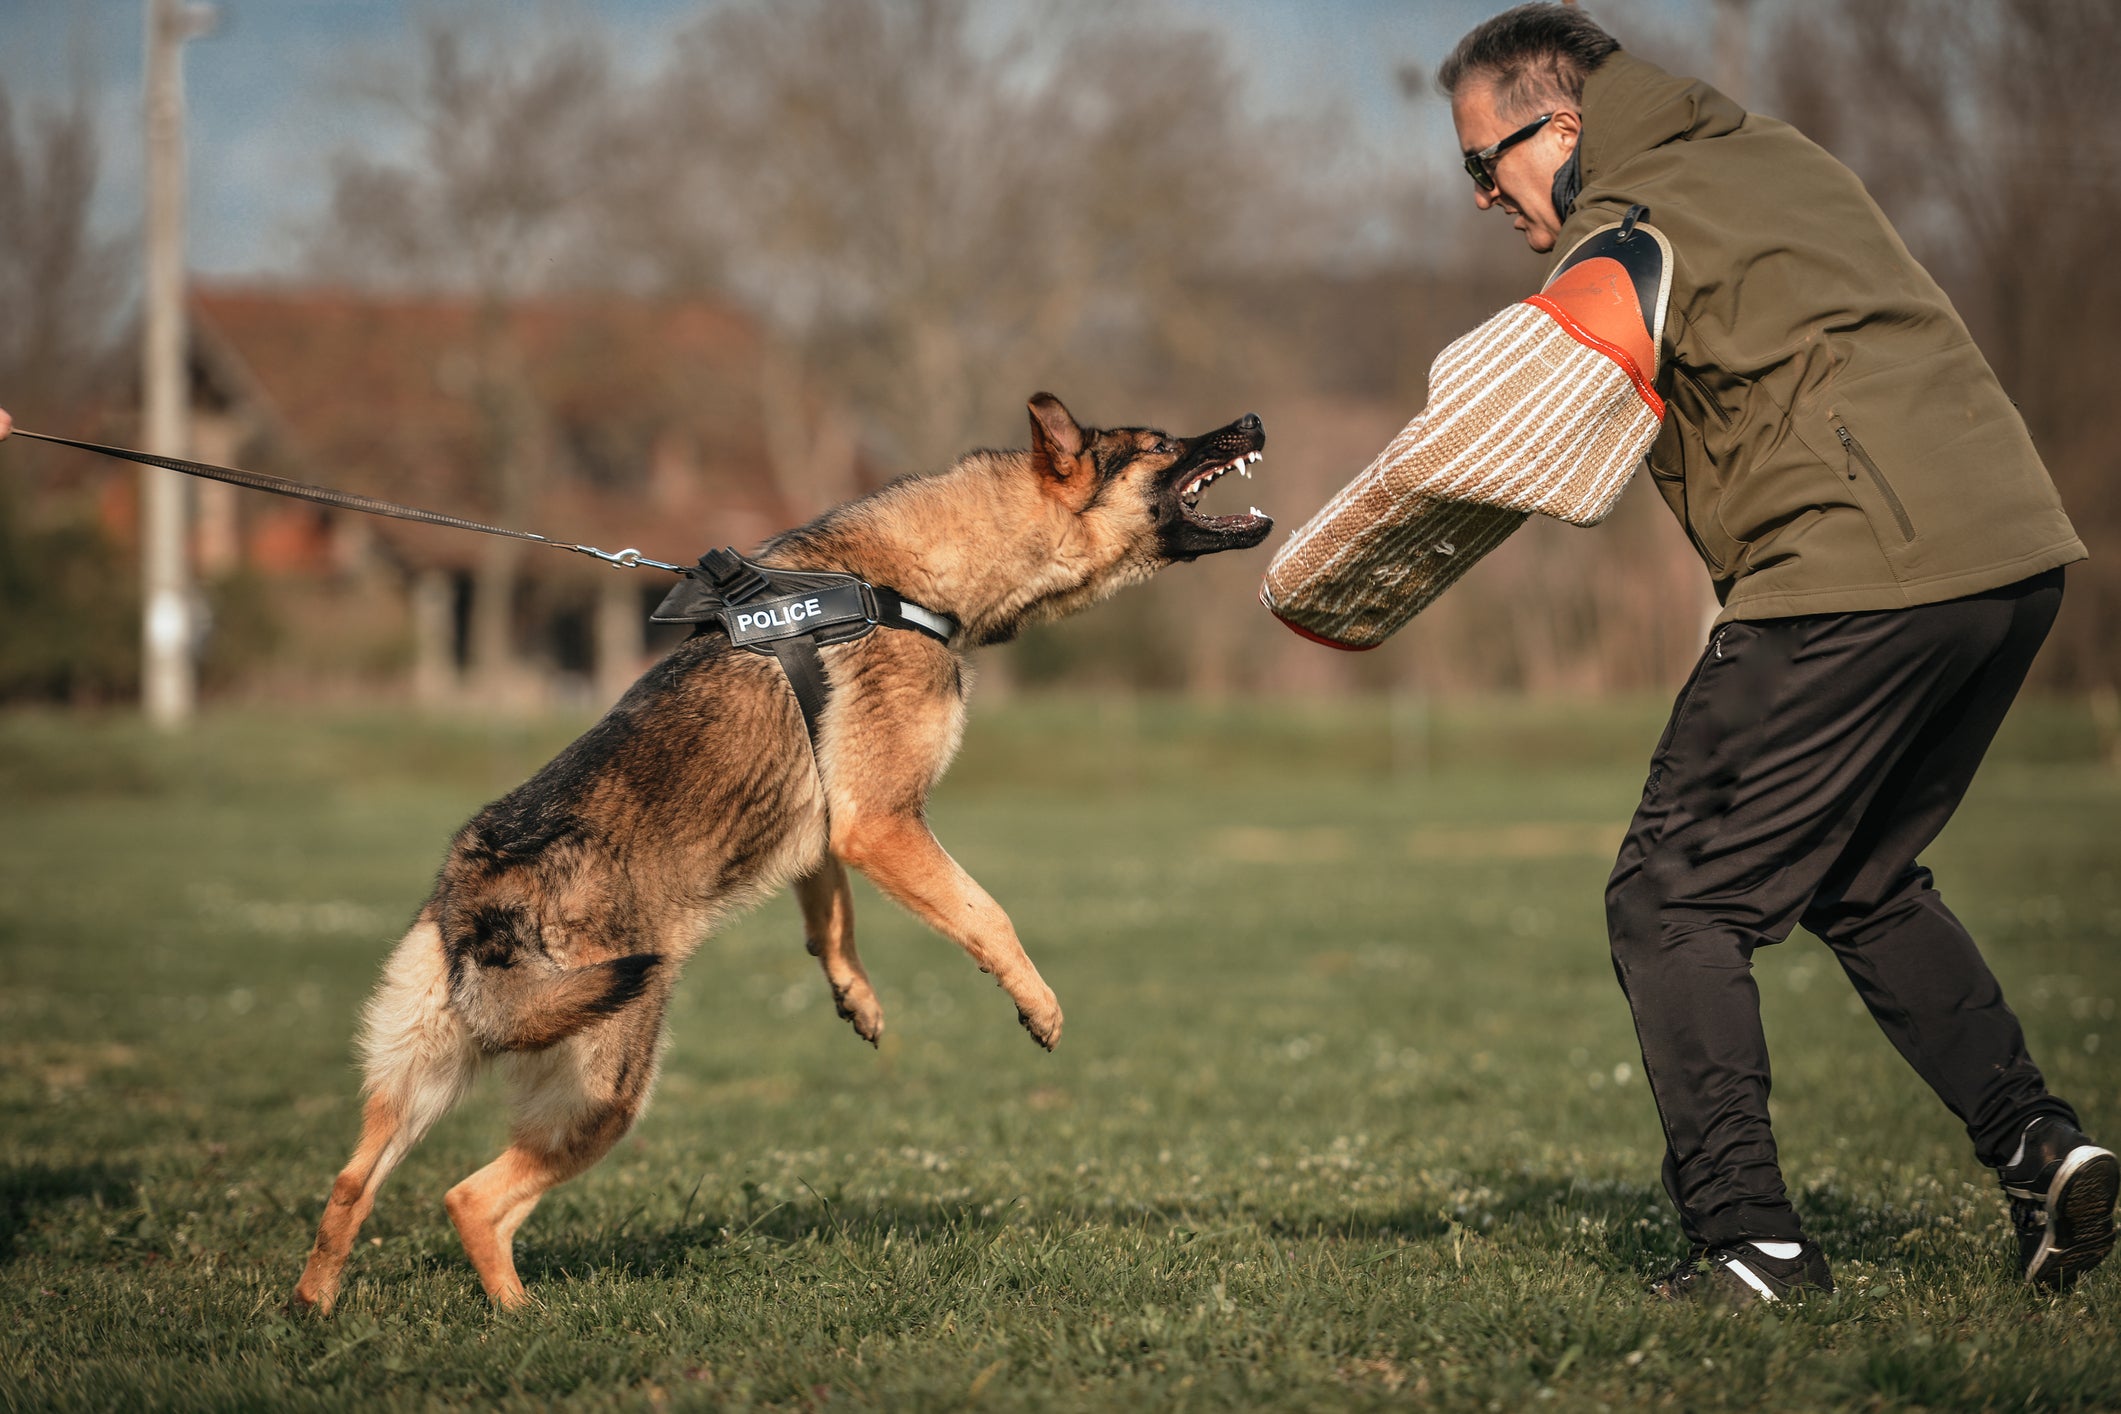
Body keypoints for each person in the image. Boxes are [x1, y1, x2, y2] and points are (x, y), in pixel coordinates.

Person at [1437, 4, 2113, 1304]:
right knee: (1858, 875)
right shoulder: (1761, 149)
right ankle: (2040, 1148)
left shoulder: (1621, 212)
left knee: (1671, 898)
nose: (1479, 195)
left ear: (1560, 126)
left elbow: (1549, 381)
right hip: (2007, 555)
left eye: (1485, 162)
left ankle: (1750, 1242)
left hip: (1854, 567)